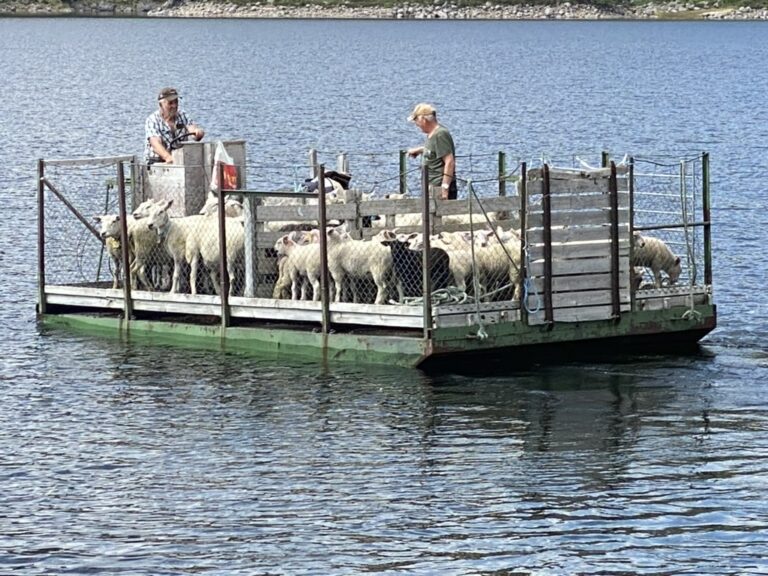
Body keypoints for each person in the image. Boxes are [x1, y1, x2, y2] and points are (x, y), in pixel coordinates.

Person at [406, 102, 457, 200]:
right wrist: (420, 150)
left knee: (439, 214)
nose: (416, 125)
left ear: (423, 120)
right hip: (431, 186)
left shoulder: (440, 134)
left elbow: (449, 161)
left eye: (416, 120)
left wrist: (444, 188)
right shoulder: (433, 135)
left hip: (439, 188)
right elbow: (434, 150)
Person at [144, 87, 204, 164]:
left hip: (179, 159)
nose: (174, 106)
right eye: (170, 103)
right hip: (157, 162)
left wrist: (197, 132)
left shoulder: (182, 115)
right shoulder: (152, 120)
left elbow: (191, 127)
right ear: (161, 104)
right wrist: (167, 157)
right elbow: (155, 143)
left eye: (176, 102)